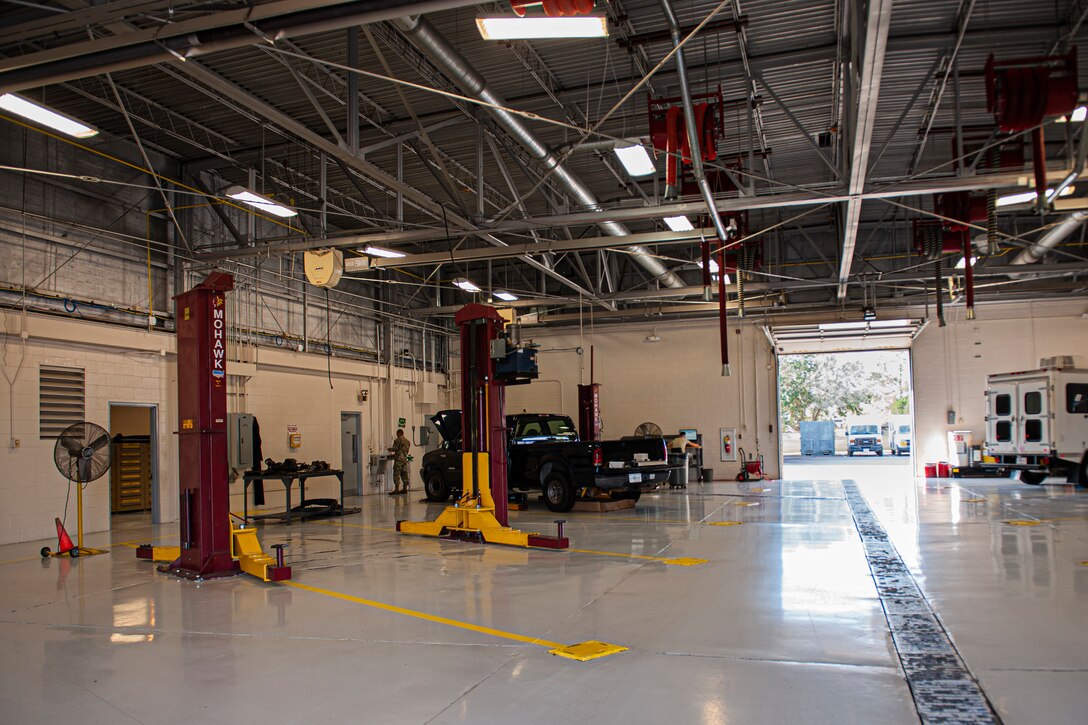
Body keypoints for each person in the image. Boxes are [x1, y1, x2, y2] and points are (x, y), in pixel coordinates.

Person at [388, 428, 411, 495]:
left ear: (399, 433)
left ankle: (396, 489)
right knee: (404, 473)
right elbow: (405, 451)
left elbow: (394, 449)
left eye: (397, 434)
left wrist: (388, 449)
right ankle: (405, 488)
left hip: (398, 460)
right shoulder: (407, 441)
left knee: (396, 473)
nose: (397, 435)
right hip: (404, 460)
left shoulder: (398, 440)